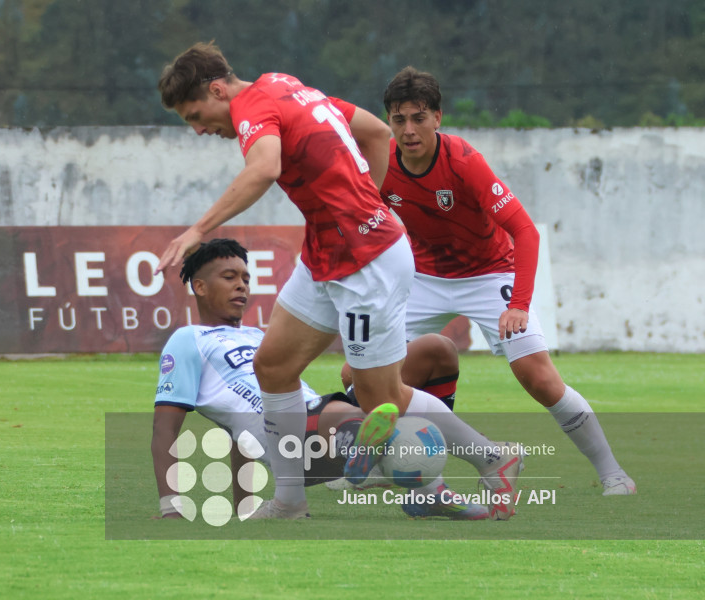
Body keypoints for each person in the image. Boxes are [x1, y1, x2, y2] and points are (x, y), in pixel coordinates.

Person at [154, 43, 522, 519]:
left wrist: (198, 230)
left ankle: (493, 458)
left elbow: (264, 167)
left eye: (195, 114)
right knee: (273, 367)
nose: (201, 128)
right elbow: (373, 130)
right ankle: (289, 501)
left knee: (381, 398)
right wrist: (368, 196)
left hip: (367, 262)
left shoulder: (252, 109)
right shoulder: (284, 85)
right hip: (325, 253)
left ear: (217, 89)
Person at [375, 66, 635, 496]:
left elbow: (525, 232)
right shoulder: (381, 164)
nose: (408, 130)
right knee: (360, 373)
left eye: (419, 118)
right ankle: (369, 462)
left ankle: (613, 473)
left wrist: (519, 303)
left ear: (438, 118)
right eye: (399, 119)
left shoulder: (463, 162)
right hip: (423, 277)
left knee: (539, 378)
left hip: (489, 273)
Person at [151, 239, 501, 521]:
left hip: (315, 417)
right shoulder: (187, 340)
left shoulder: (259, 337)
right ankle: (381, 461)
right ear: (199, 286)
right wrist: (171, 506)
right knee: (351, 418)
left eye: (245, 278)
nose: (241, 285)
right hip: (294, 439)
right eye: (229, 277)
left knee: (434, 350)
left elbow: (235, 433)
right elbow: (167, 430)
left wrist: (244, 506)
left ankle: (403, 477)